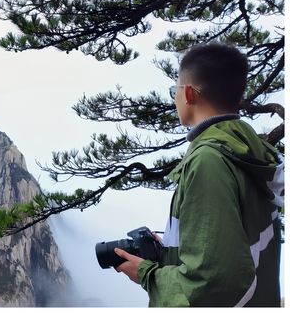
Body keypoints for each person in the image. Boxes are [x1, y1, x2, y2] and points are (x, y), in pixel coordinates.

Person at [114, 42, 283, 307]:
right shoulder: (248, 148)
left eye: (175, 91)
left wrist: (148, 274)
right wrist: (171, 251)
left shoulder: (208, 160)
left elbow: (214, 281)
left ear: (190, 93)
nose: (174, 99)